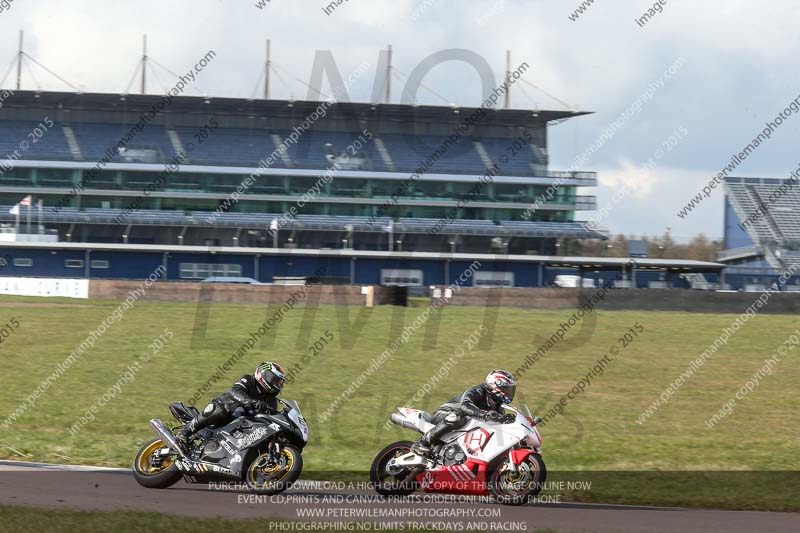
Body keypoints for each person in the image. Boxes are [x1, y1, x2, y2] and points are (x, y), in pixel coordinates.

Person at [176, 361, 287, 450]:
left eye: (278, 382)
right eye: (274, 380)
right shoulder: (249, 380)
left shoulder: (272, 401)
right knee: (221, 409)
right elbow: (234, 391)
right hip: (225, 414)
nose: (276, 384)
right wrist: (251, 402)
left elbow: (269, 420)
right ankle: (185, 431)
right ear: (263, 374)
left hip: (242, 428)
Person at [411, 369, 516, 457]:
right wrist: (484, 414)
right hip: (444, 414)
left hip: (461, 423)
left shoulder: (498, 405)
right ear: (495, 385)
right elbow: (465, 406)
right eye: (506, 388)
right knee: (457, 417)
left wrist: (505, 420)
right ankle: (421, 443)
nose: (509, 392)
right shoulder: (477, 391)